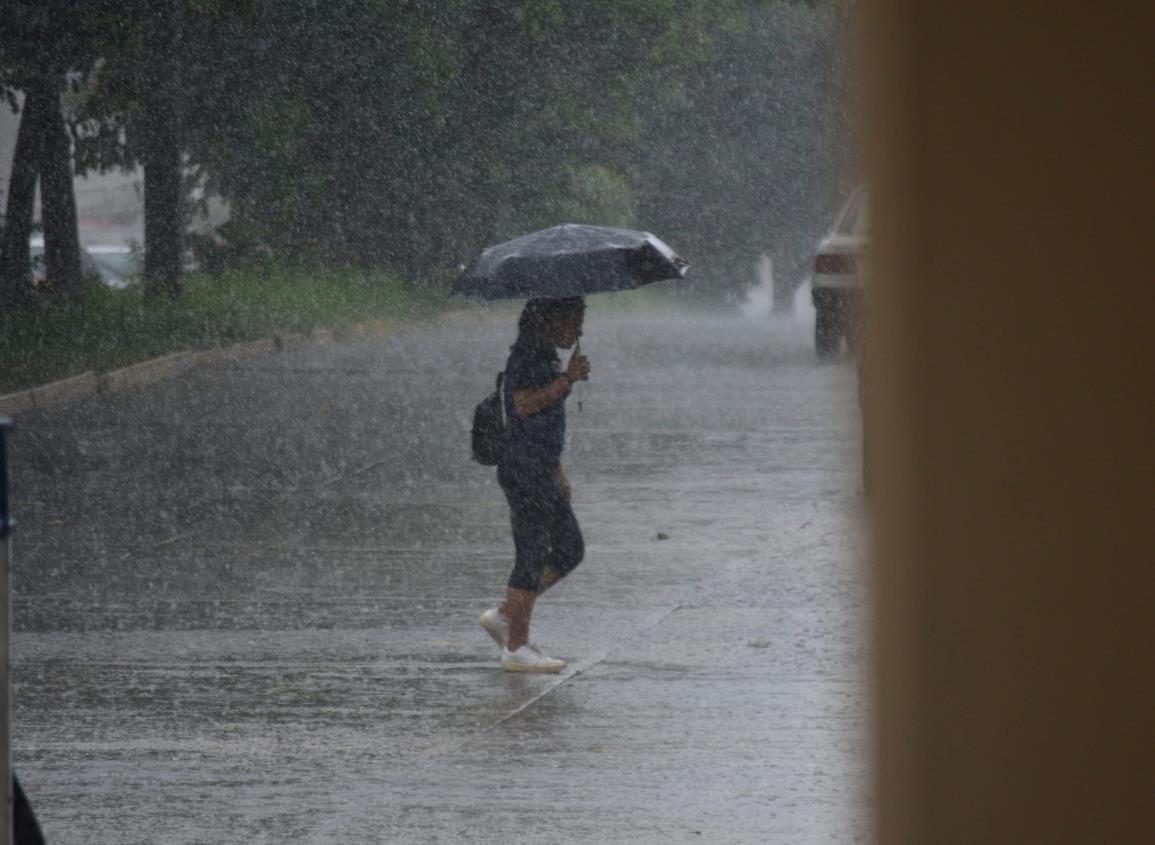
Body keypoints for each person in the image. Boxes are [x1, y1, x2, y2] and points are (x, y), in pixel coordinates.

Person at [479, 296, 591, 672]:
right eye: (575, 319)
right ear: (552, 319)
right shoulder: (528, 354)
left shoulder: (545, 354)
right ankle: (516, 646)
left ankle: (507, 614)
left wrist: (557, 470)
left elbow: (542, 422)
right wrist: (567, 380)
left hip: (541, 466)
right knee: (532, 551)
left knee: (569, 547)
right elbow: (522, 405)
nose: (579, 329)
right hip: (523, 467)